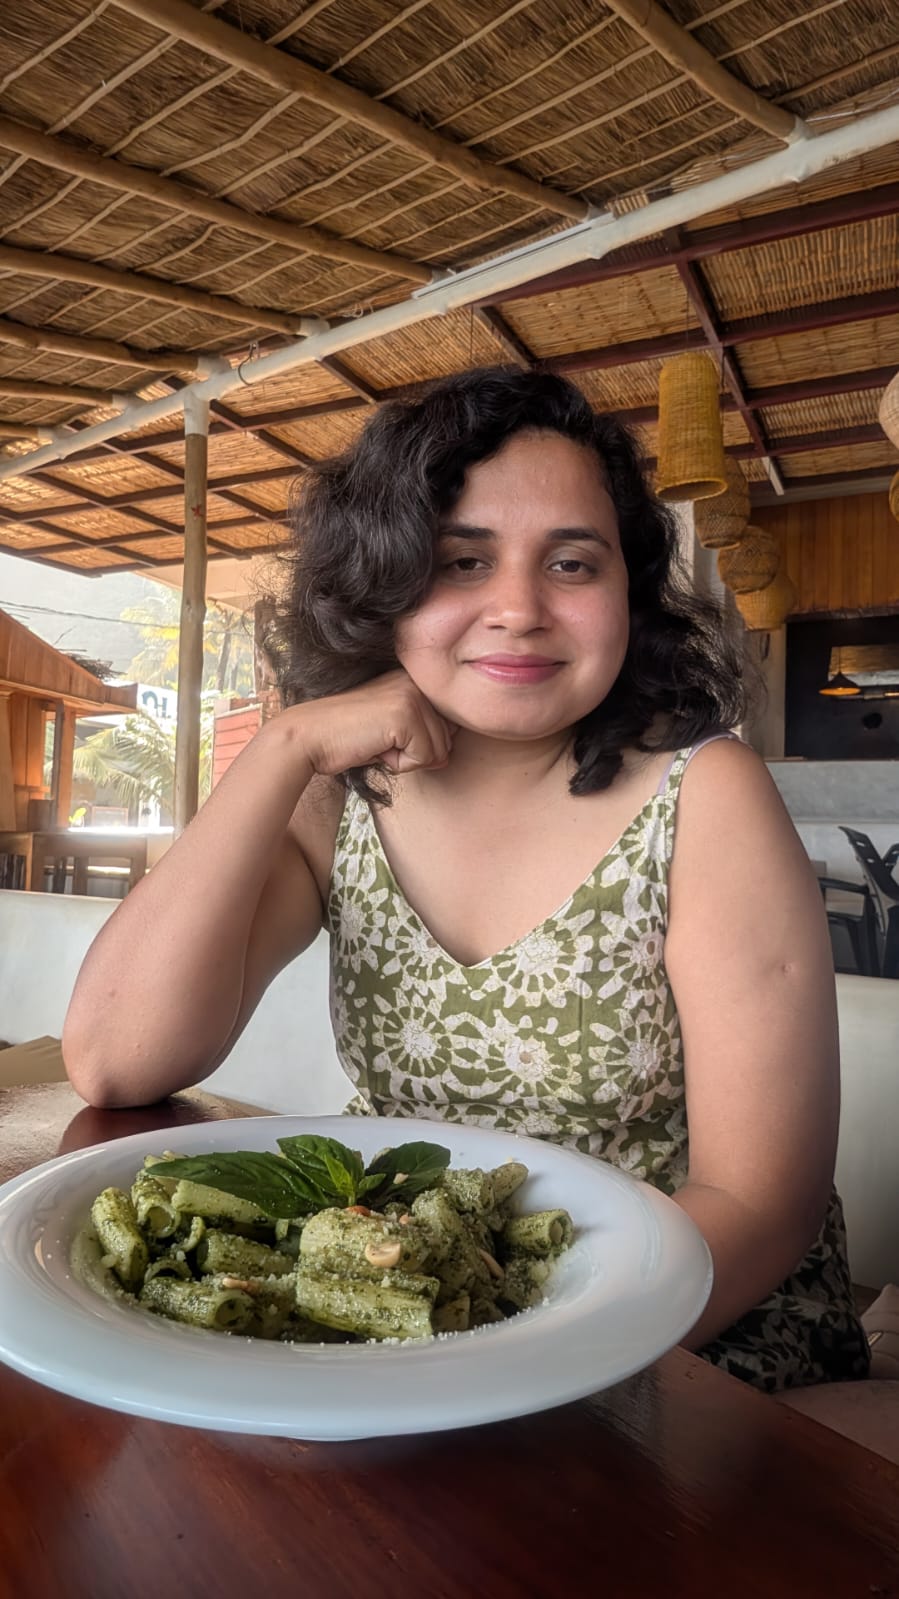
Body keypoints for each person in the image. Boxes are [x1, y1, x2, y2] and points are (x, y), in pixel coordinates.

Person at [63, 366, 870, 1393]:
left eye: (571, 564)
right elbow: (115, 1061)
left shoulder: (704, 798)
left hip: (676, 1319)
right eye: (461, 562)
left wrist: (496, 1359)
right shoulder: (338, 795)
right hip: (402, 1299)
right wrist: (283, 748)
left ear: (626, 592)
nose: (519, 610)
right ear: (382, 585)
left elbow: (761, 1204)